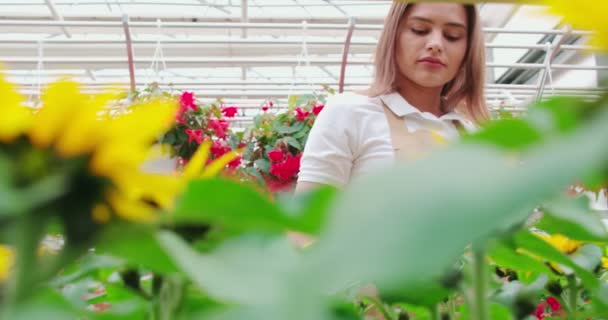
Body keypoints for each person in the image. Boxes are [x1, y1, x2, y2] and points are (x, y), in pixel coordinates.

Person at [295, 1, 490, 194]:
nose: (436, 44)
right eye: (419, 29)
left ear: (468, 49)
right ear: (393, 35)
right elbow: (307, 220)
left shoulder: (473, 133)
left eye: (452, 36)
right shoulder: (350, 112)